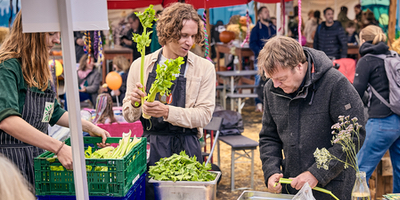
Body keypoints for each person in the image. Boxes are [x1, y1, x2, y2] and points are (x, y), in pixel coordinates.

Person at [0, 11, 109, 188]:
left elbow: (53, 112)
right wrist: (58, 148)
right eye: (51, 33)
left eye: (58, 34)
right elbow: (7, 121)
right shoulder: (7, 67)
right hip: (9, 165)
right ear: (31, 34)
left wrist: (90, 126)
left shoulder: (40, 70)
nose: (57, 40)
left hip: (37, 160)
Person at [258, 36, 366, 200]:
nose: (276, 85)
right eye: (271, 78)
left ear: (299, 66)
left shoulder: (335, 84)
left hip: (332, 188)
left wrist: (317, 173)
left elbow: (352, 136)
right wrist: (271, 170)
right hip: (292, 187)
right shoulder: (271, 89)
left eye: (281, 79)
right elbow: (269, 136)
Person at [123, 2, 215, 166]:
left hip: (188, 148)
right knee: (151, 191)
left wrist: (167, 111)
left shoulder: (204, 68)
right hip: (151, 147)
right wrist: (135, 103)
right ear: (168, 32)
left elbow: (204, 116)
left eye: (193, 36)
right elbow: (129, 117)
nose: (190, 42)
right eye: (184, 35)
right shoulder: (141, 65)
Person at [353, 25, 400, 193]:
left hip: (381, 122)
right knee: (399, 172)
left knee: (358, 170)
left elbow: (356, 93)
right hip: (398, 118)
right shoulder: (395, 56)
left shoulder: (367, 60)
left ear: (363, 40)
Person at [250, 6, 276, 112]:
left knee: (272, 81)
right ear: (260, 15)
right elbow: (252, 44)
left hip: (274, 59)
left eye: (268, 11)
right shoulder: (256, 29)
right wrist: (262, 52)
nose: (268, 14)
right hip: (260, 60)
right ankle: (258, 103)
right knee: (258, 81)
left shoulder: (273, 27)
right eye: (265, 12)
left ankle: (270, 103)